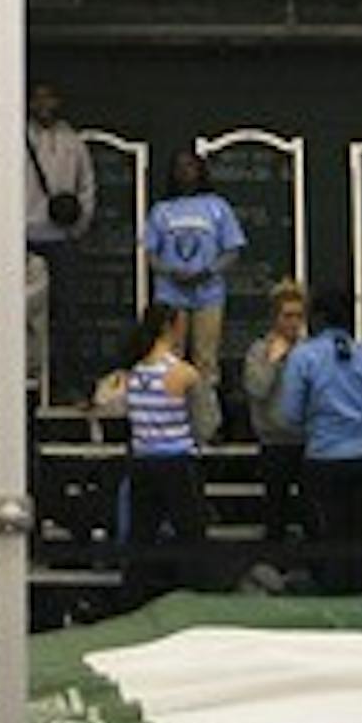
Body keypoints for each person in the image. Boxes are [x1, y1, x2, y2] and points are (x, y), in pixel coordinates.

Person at [279, 285, 362, 595]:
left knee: (327, 537)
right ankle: (361, 594)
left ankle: (333, 596)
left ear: (316, 318)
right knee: (358, 534)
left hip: (323, 460)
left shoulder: (303, 358)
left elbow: (288, 414)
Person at [107, 301, 209, 606]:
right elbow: (205, 420)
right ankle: (196, 598)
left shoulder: (132, 372)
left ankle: (132, 598)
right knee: (191, 536)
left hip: (143, 461)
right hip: (177, 461)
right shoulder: (182, 373)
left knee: (141, 536)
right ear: (171, 326)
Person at [141, 147, 244, 386]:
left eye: (190, 166)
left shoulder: (217, 206)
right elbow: (149, 253)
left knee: (205, 359)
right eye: (179, 167)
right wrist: (169, 271)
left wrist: (208, 271)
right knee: (169, 358)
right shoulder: (161, 210)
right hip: (171, 294)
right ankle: (170, 413)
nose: (184, 172)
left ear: (200, 171)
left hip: (208, 293)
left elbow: (232, 251)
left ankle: (205, 419)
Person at [24, 80, 96, 403]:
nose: (43, 104)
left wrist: (77, 226)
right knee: (24, 314)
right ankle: (27, 382)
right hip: (24, 237)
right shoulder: (16, 138)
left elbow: (87, 187)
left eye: (48, 97)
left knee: (68, 313)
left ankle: (71, 384)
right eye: (37, 98)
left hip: (62, 236)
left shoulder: (73, 142)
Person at [241, 276, 309, 549]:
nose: (293, 322)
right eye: (287, 316)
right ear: (275, 318)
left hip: (308, 442)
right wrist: (273, 360)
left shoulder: (311, 353)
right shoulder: (258, 352)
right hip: (274, 443)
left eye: (299, 316)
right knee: (275, 514)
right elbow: (256, 389)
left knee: (312, 514)